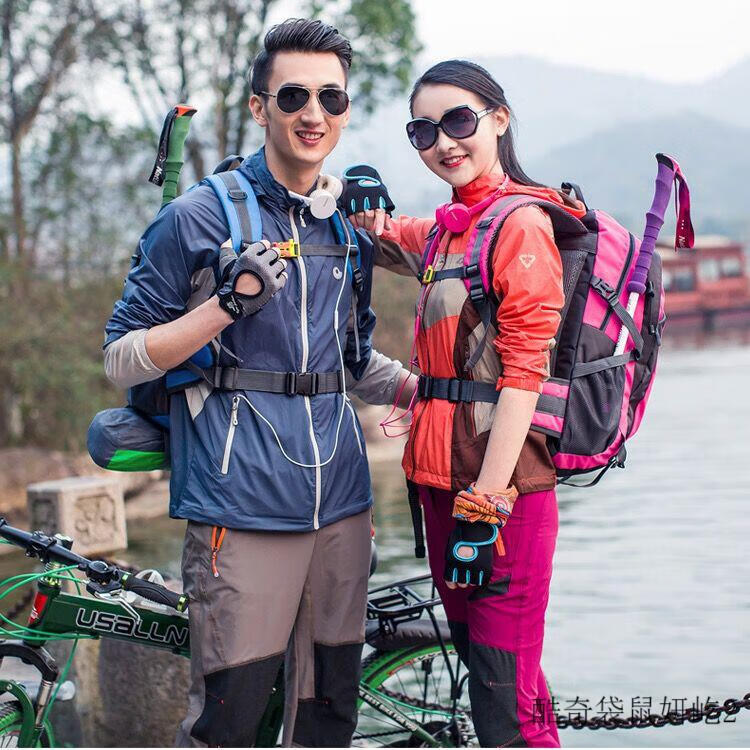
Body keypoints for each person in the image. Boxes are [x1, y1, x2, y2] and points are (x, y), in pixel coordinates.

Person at [103, 18, 414, 748]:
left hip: (342, 504)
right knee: (229, 722)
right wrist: (225, 306)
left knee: (329, 715)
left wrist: (433, 394)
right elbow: (121, 357)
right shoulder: (197, 216)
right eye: (294, 95)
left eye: (332, 98)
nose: (314, 113)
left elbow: (351, 364)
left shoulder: (345, 226)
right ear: (258, 107)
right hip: (239, 506)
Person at [348, 59, 587, 747]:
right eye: (423, 131)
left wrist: (485, 505)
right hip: (437, 487)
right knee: (499, 684)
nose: (443, 142)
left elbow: (524, 375)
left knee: (504, 706)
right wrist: (353, 188)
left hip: (501, 498)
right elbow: (381, 234)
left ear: (498, 119)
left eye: (458, 121)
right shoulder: (450, 230)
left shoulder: (521, 225)